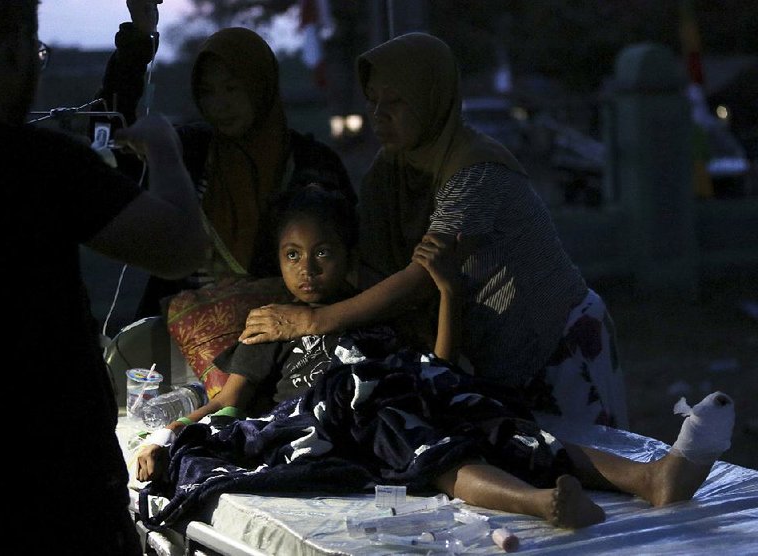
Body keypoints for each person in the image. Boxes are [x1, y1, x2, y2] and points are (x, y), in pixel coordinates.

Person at [134, 184, 732, 532]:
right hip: (344, 411)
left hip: (403, 387)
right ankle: (539, 502)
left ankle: (652, 478)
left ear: (348, 256)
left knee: (490, 417)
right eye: (292, 256)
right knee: (410, 436)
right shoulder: (268, 327)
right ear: (278, 260)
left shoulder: (368, 312)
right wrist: (169, 433)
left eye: (322, 254)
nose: (308, 270)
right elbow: (230, 402)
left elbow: (438, 365)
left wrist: (446, 292)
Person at [238, 32, 628, 430]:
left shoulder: (474, 169)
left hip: (554, 337)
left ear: (431, 98)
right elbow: (369, 262)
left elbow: (426, 273)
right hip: (480, 349)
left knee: (589, 463)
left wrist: (314, 321)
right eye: (373, 102)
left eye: (395, 102)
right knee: (528, 465)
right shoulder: (388, 173)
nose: (378, 114)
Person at [0, 1, 208, 554]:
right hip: (49, 491)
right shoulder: (33, 165)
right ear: (14, 50)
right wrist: (166, 149)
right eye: (39, 54)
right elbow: (180, 247)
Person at [97, 0, 356, 319]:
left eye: (233, 89)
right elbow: (111, 140)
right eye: (208, 92)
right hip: (179, 339)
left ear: (260, 85)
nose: (220, 104)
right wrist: (138, 39)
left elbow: (346, 259)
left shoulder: (313, 164)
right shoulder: (190, 150)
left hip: (287, 340)